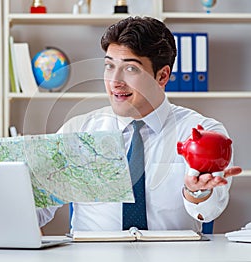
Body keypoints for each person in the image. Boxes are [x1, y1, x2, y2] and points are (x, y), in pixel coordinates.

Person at [36, 16, 242, 233]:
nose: (115, 81)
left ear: (162, 76)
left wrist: (196, 192)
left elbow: (208, 212)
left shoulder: (203, 133)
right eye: (109, 66)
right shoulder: (77, 131)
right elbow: (38, 209)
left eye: (131, 69)